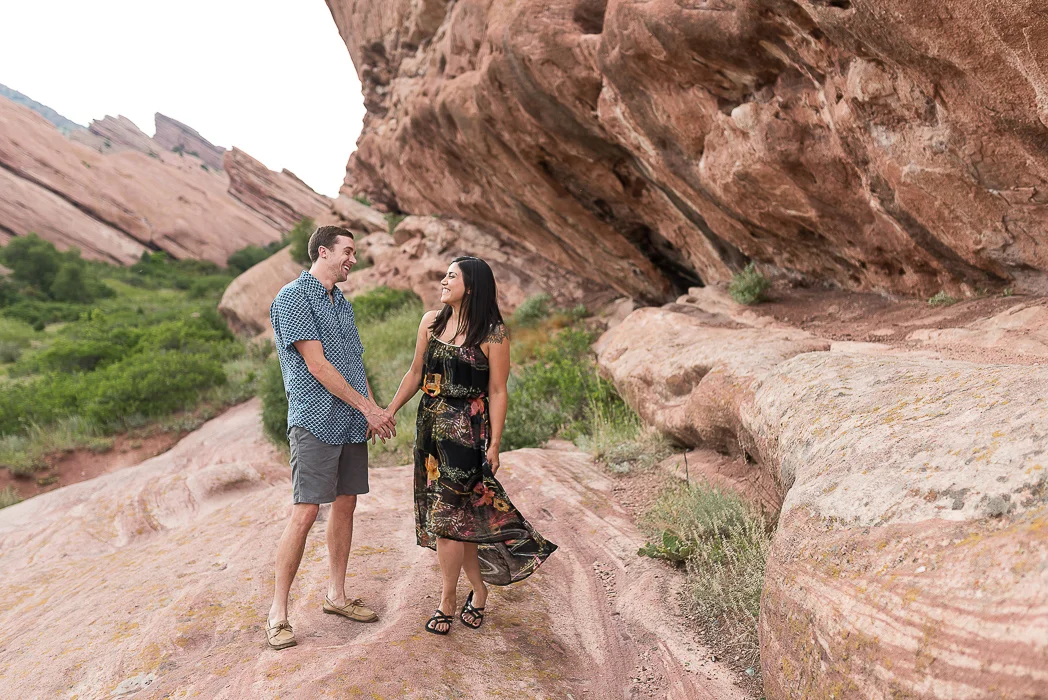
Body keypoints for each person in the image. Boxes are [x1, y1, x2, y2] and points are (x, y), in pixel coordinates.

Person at [386, 256, 558, 635]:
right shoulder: (430, 322)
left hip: (466, 433)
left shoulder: (493, 334)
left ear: (472, 287)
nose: (444, 281)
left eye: (452, 276)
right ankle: (478, 591)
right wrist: (390, 410)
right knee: (460, 518)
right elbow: (415, 373)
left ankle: (446, 601)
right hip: (430, 432)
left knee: (447, 520)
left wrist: (494, 444)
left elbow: (497, 390)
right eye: (445, 275)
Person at [265, 225, 397, 650]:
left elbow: (355, 364)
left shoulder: (342, 303)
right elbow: (318, 366)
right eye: (348, 251)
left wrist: (371, 409)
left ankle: (336, 596)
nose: (353, 260)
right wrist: (368, 409)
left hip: (350, 421)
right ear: (323, 252)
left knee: (346, 504)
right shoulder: (292, 298)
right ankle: (278, 613)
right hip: (314, 420)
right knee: (305, 512)